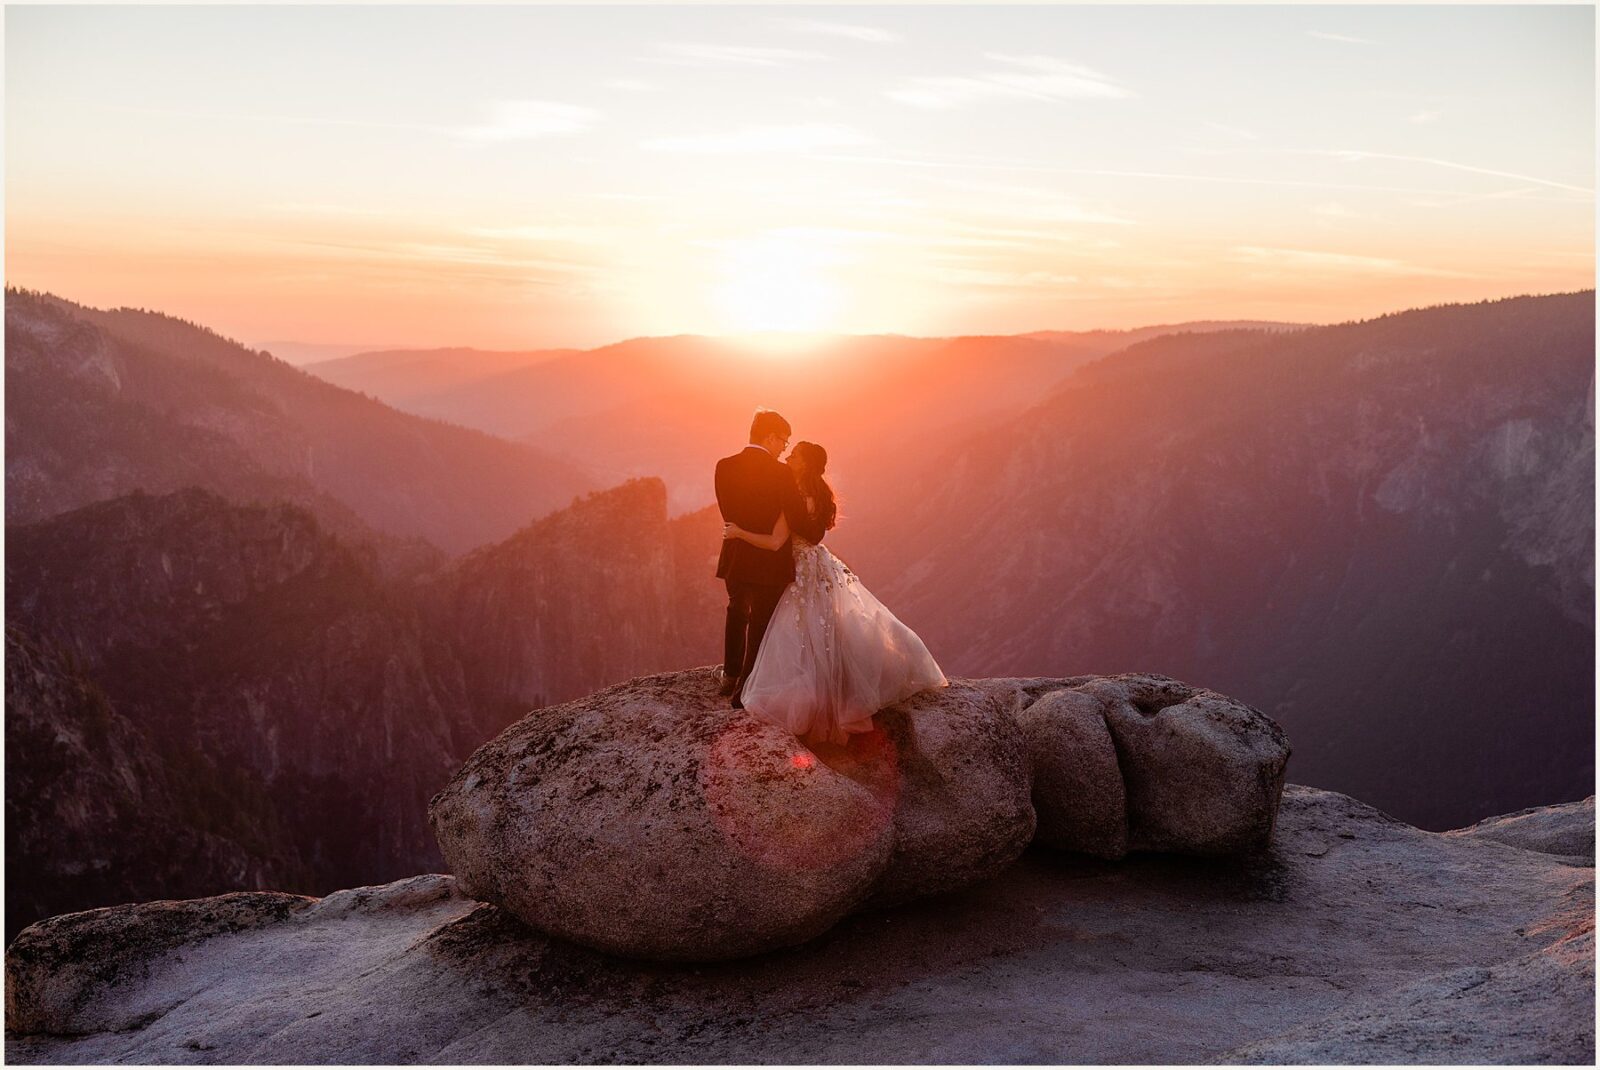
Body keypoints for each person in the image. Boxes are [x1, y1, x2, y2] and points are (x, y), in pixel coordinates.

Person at [723, 441, 947, 746]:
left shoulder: (793, 496)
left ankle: (809, 700)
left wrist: (738, 533)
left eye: (795, 455)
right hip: (819, 564)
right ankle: (842, 690)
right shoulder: (820, 493)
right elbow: (814, 536)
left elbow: (776, 543)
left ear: (805, 464)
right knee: (827, 629)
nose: (788, 457)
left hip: (797, 570)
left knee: (799, 633)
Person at [713, 409, 816, 709]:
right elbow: (796, 518)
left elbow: (726, 512)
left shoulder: (724, 466)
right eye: (783, 442)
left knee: (736, 610)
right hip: (768, 561)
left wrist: (741, 532)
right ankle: (745, 687)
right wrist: (817, 524)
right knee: (760, 623)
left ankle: (730, 674)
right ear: (770, 436)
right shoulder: (781, 473)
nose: (784, 449)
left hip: (735, 555)